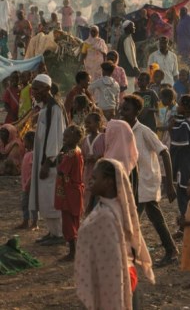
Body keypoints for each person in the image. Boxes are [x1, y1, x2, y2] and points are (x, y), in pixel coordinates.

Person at [75, 159, 155, 310]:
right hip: (125, 280)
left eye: (95, 177)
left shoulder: (106, 217)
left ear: (108, 182)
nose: (90, 181)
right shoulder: (116, 207)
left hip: (114, 286)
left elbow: (112, 265)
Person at [118, 95, 179, 267]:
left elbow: (164, 152)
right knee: (153, 217)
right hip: (133, 181)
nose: (123, 112)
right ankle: (170, 249)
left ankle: (133, 253)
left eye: (127, 109)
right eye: (122, 109)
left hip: (146, 180)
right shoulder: (123, 130)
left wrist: (169, 183)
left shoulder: (144, 131)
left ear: (137, 112)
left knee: (134, 218)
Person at [30, 74, 67, 246]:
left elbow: (56, 138)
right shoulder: (45, 107)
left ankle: (59, 234)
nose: (34, 92)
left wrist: (47, 162)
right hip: (42, 160)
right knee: (45, 197)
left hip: (50, 163)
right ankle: (52, 232)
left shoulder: (55, 109)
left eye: (37, 89)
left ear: (46, 89)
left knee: (52, 197)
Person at [170, 94, 190, 235]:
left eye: (180, 104)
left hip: (184, 164)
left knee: (184, 196)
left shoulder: (184, 124)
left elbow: (178, 144)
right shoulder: (189, 121)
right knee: (185, 195)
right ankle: (185, 225)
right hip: (188, 163)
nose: (177, 106)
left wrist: (170, 127)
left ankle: (185, 225)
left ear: (185, 107)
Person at [54, 125, 85, 261]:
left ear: (75, 138)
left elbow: (61, 170)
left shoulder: (71, 154)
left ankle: (73, 252)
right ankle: (76, 250)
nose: (64, 139)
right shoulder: (77, 151)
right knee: (74, 221)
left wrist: (59, 159)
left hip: (69, 192)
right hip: (75, 190)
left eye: (66, 137)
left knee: (68, 222)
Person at [81, 112, 105, 211]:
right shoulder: (84, 140)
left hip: (100, 173)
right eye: (86, 123)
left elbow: (107, 153)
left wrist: (99, 157)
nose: (87, 126)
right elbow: (82, 156)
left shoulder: (103, 137)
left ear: (98, 123)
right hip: (88, 173)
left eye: (89, 123)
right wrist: (86, 159)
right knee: (88, 194)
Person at [17, 132, 37, 229]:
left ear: (30, 142)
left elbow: (33, 169)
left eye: (24, 140)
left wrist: (29, 181)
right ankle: (25, 221)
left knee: (33, 203)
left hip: (30, 183)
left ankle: (34, 222)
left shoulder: (33, 154)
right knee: (25, 203)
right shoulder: (27, 153)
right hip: (25, 183)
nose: (23, 142)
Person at [117, 21, 140, 94]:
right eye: (132, 26)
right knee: (129, 88)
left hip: (124, 67)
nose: (134, 28)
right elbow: (130, 55)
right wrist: (135, 67)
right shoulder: (126, 38)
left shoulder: (124, 37)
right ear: (127, 28)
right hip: (128, 68)